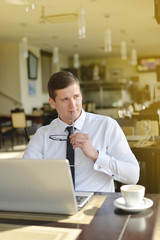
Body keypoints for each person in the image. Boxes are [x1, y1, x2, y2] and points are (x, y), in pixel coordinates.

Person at [23, 71, 140, 192]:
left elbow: (133, 176)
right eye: (64, 99)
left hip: (98, 204)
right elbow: (25, 175)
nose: (72, 105)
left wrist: (96, 155)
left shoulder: (107, 126)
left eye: (76, 97)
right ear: (52, 103)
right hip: (56, 203)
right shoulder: (42, 135)